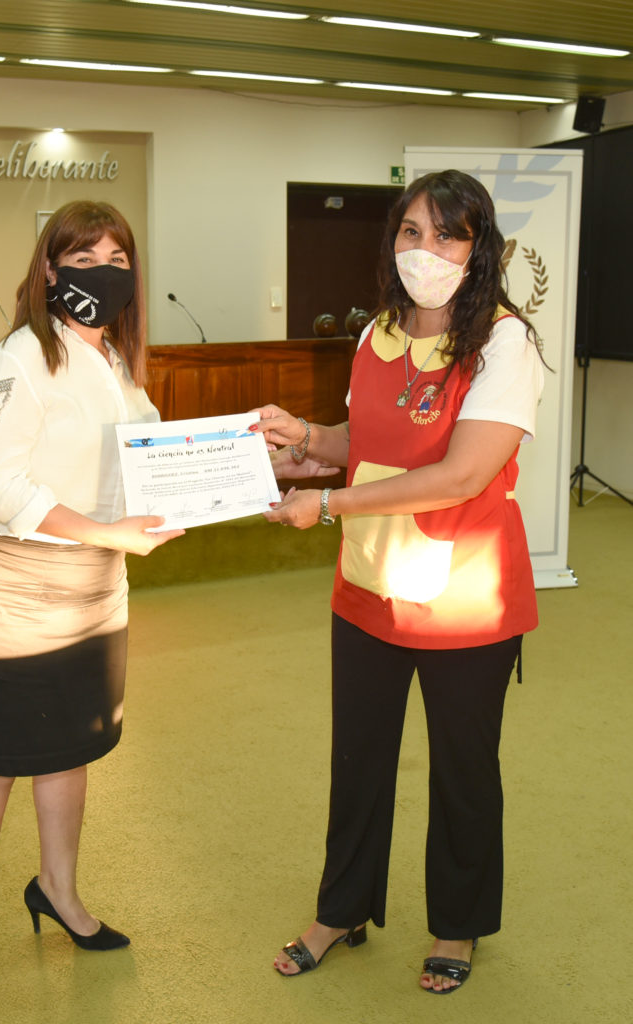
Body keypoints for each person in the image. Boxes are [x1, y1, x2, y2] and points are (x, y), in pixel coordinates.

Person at [254, 169, 545, 994]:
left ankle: (457, 924)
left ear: (478, 248)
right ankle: (340, 909)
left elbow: (460, 474)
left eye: (447, 235)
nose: (425, 250)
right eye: (411, 231)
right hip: (368, 587)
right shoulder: (376, 333)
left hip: (463, 598)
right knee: (357, 761)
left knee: (461, 769)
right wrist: (305, 439)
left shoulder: (504, 343)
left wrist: (327, 502)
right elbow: (369, 439)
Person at [0, 200, 183, 1022]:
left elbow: (148, 455)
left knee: (69, 751)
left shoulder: (114, 360)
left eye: (117, 259)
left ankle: (58, 891)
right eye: (82, 259)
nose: (102, 274)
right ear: (48, 270)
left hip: (96, 587)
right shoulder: (19, 357)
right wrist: (107, 532)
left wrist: (248, 456)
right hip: (18, 588)